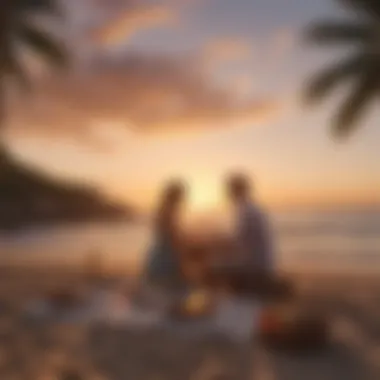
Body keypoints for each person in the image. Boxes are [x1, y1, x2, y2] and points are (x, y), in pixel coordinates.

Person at [143, 180, 187, 293]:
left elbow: (167, 233)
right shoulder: (168, 210)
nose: (182, 200)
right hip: (165, 255)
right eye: (180, 196)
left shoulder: (164, 209)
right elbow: (171, 235)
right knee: (169, 284)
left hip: (160, 253)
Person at [226, 173, 274, 276]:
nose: (227, 194)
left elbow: (236, 242)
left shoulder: (245, 211)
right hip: (263, 262)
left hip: (254, 266)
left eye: (229, 190)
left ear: (235, 191)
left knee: (212, 262)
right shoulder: (251, 207)